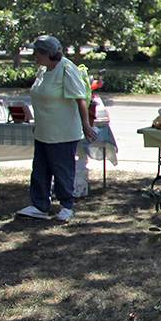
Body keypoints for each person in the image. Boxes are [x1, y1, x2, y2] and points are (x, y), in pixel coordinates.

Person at [17, 36, 97, 223]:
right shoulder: (43, 70)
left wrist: (86, 125)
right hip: (44, 130)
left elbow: (80, 99)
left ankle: (67, 206)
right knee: (40, 170)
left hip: (63, 132)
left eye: (36, 52)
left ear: (47, 53)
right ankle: (39, 205)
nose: (34, 55)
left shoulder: (67, 70)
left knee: (62, 170)